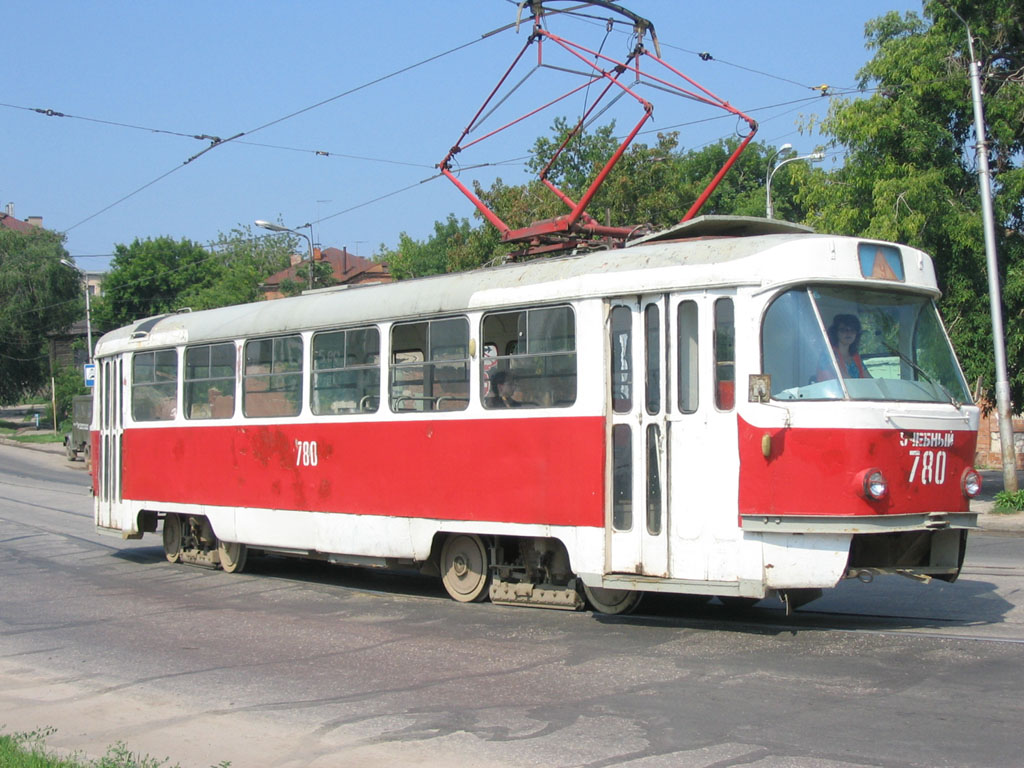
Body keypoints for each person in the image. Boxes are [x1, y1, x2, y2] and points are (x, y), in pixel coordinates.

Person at [823, 313, 869, 379]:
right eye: (843, 330)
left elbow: (869, 378)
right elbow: (845, 380)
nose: (849, 333)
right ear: (835, 332)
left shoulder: (855, 356)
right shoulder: (828, 354)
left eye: (852, 330)